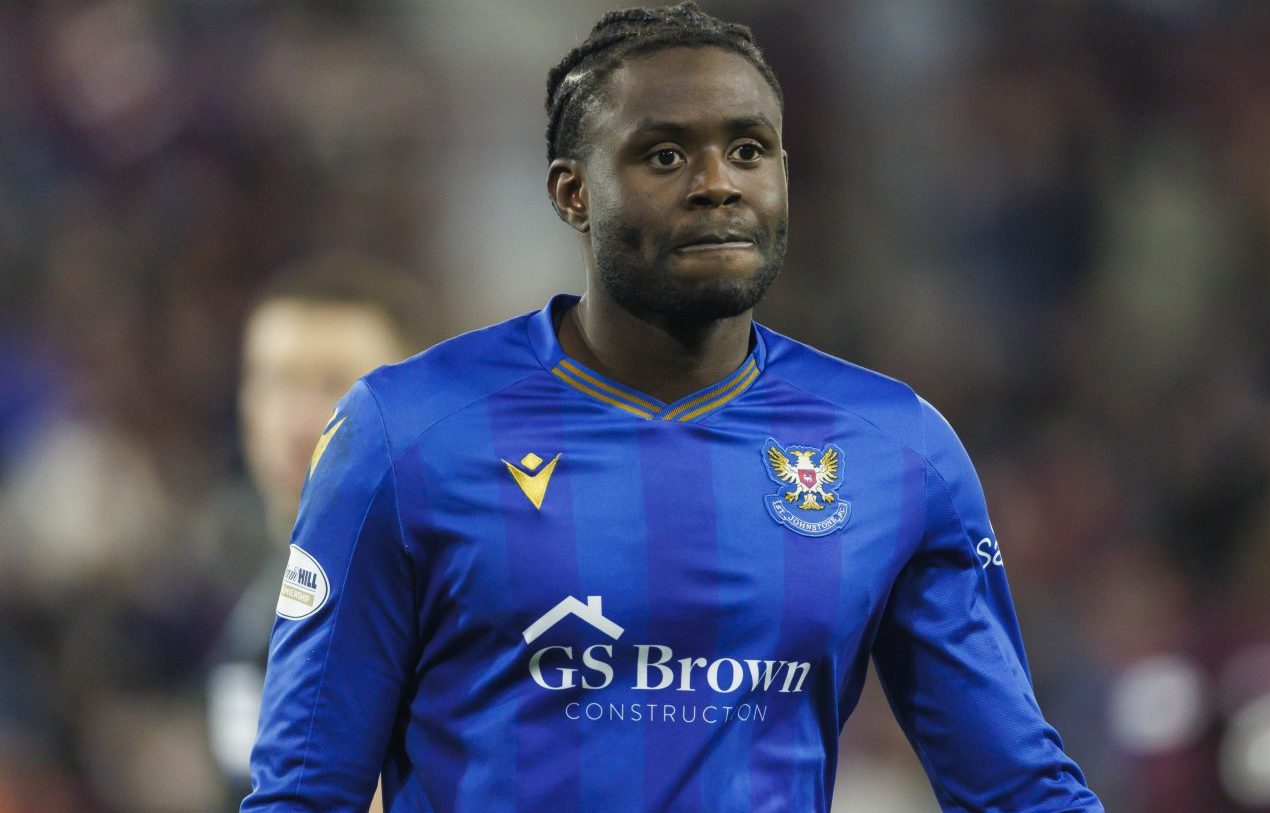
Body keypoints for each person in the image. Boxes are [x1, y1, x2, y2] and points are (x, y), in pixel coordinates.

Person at [242, 4, 1103, 811]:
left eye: (750, 150)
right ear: (572, 193)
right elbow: (303, 794)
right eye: (664, 156)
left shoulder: (897, 450)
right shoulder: (406, 433)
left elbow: (1018, 789)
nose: (717, 184)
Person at [208, 253, 442, 809]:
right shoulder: (259, 613)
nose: (298, 418)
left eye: (337, 385)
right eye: (276, 381)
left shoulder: (461, 601)